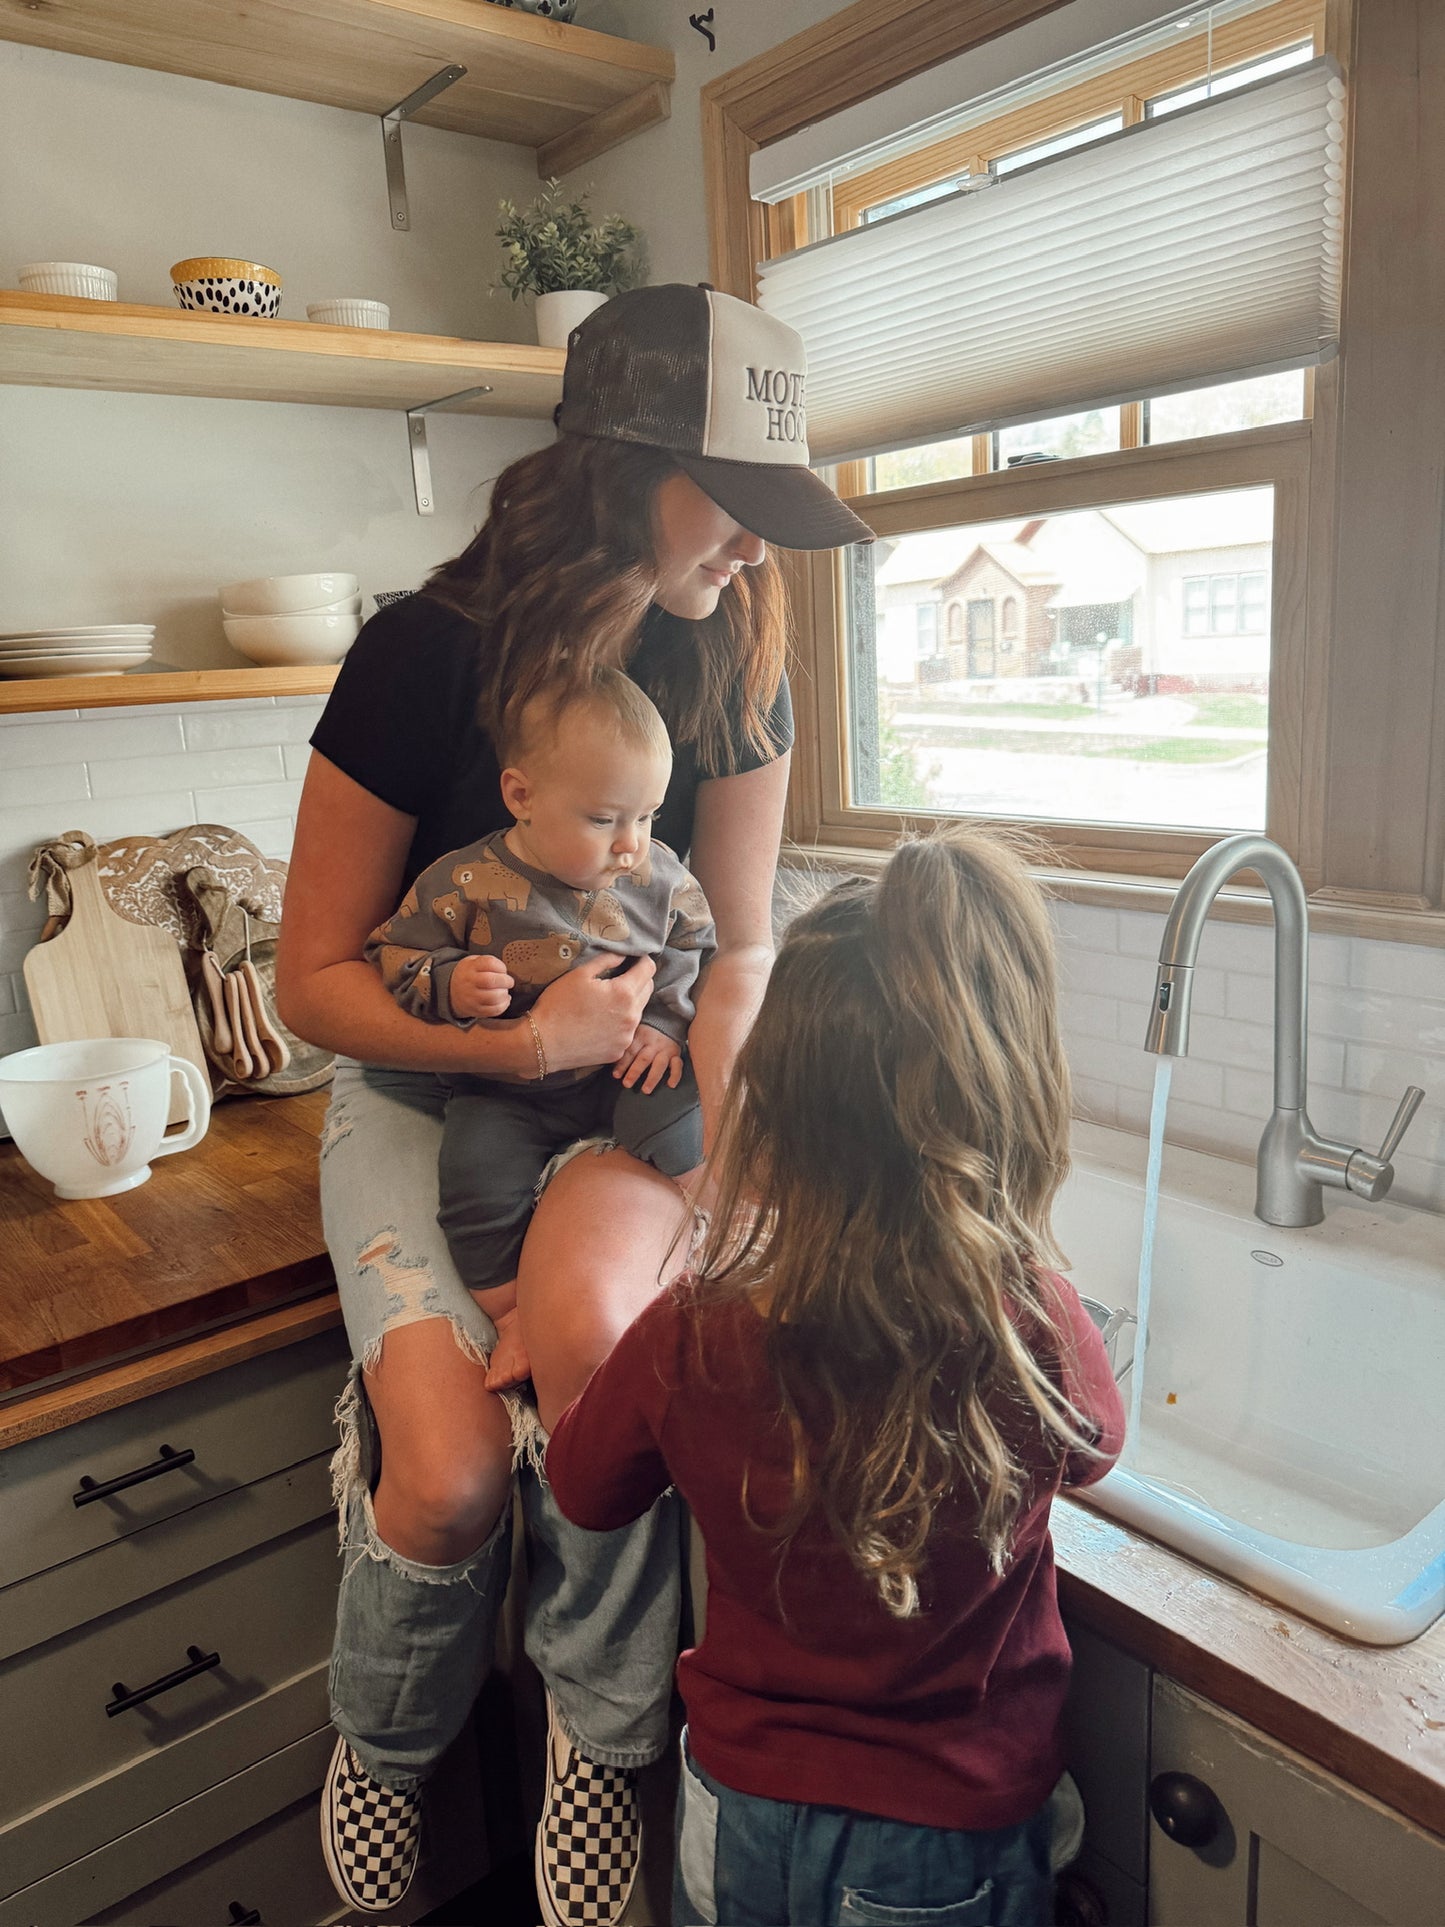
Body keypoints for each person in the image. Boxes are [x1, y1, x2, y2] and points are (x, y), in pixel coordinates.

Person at [275, 280, 873, 1923]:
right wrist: (512, 1048)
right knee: (459, 1472)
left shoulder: (739, 661)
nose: (757, 551)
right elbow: (312, 980)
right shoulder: (416, 659)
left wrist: (732, 1191)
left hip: (626, 1104)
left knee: (608, 1391)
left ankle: (597, 1745)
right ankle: (384, 1734)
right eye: (733, 505)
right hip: (425, 1088)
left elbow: (735, 950)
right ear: (616, 468)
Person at [546, 826, 1128, 1927]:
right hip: (946, 1834)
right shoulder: (1028, 1326)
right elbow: (1096, 1450)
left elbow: (581, 1487)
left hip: (738, 1811)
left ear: (771, 1107)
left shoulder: (690, 1334)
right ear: (990, 1109)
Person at [363, 668, 715, 1389]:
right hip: (505, 1089)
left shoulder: (658, 875)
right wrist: (447, 981)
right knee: (472, 1184)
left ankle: (727, 1228)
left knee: (686, 1119)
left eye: (646, 816)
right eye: (604, 818)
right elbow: (392, 952)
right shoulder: (459, 883)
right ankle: (513, 1319)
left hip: (626, 1064)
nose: (630, 844)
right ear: (521, 796)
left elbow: (692, 945)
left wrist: (666, 1025)